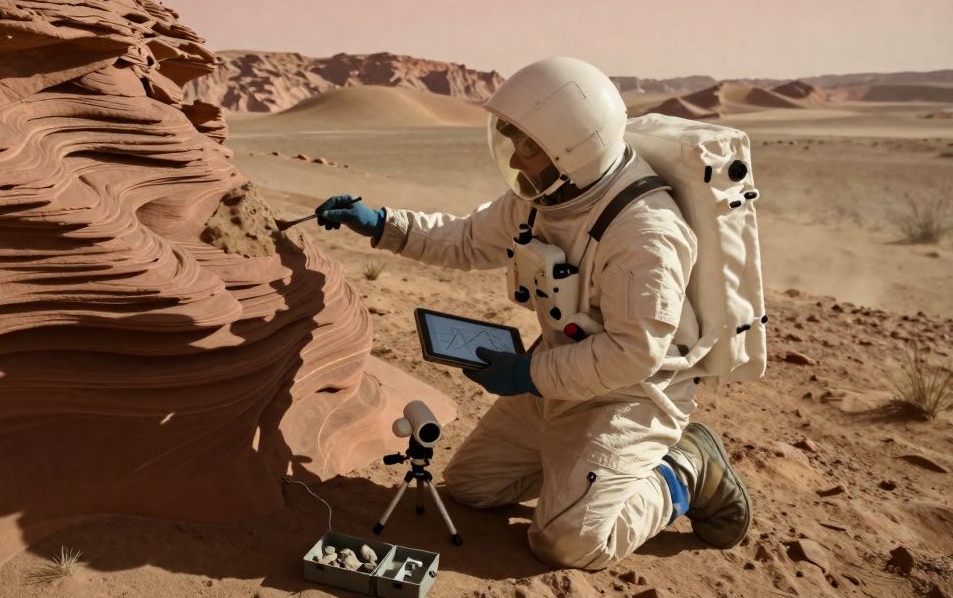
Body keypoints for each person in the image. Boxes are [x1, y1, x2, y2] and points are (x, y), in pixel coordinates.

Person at [314, 57, 750, 570]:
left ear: (574, 151)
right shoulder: (549, 195)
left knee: (568, 543)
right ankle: (581, 471)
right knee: (473, 488)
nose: (518, 160)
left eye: (531, 148)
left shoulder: (645, 235)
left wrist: (529, 374)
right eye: (514, 140)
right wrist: (383, 225)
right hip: (556, 377)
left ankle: (684, 469)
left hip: (629, 395)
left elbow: (633, 354)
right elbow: (467, 240)